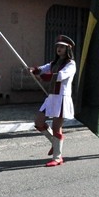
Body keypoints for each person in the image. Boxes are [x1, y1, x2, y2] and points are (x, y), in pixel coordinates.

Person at [31, 35, 77, 167]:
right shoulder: (53, 63)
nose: (59, 49)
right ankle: (55, 143)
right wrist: (34, 70)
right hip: (51, 98)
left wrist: (44, 77)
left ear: (68, 49)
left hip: (62, 98)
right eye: (58, 46)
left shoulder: (71, 64)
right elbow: (42, 68)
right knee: (38, 122)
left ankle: (57, 157)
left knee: (57, 127)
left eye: (62, 47)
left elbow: (61, 76)